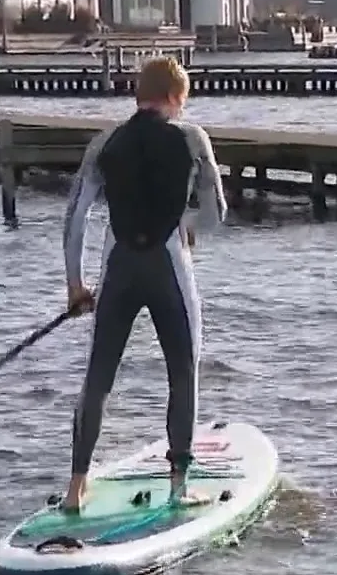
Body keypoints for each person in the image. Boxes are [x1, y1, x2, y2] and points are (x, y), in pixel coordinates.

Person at [60, 57, 227, 512]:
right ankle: (178, 485)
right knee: (182, 372)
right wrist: (189, 225)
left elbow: (75, 218)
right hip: (169, 267)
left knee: (98, 377)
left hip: (118, 270)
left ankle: (76, 487)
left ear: (139, 95)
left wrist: (76, 287)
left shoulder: (105, 142)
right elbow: (217, 213)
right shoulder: (192, 139)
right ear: (176, 97)